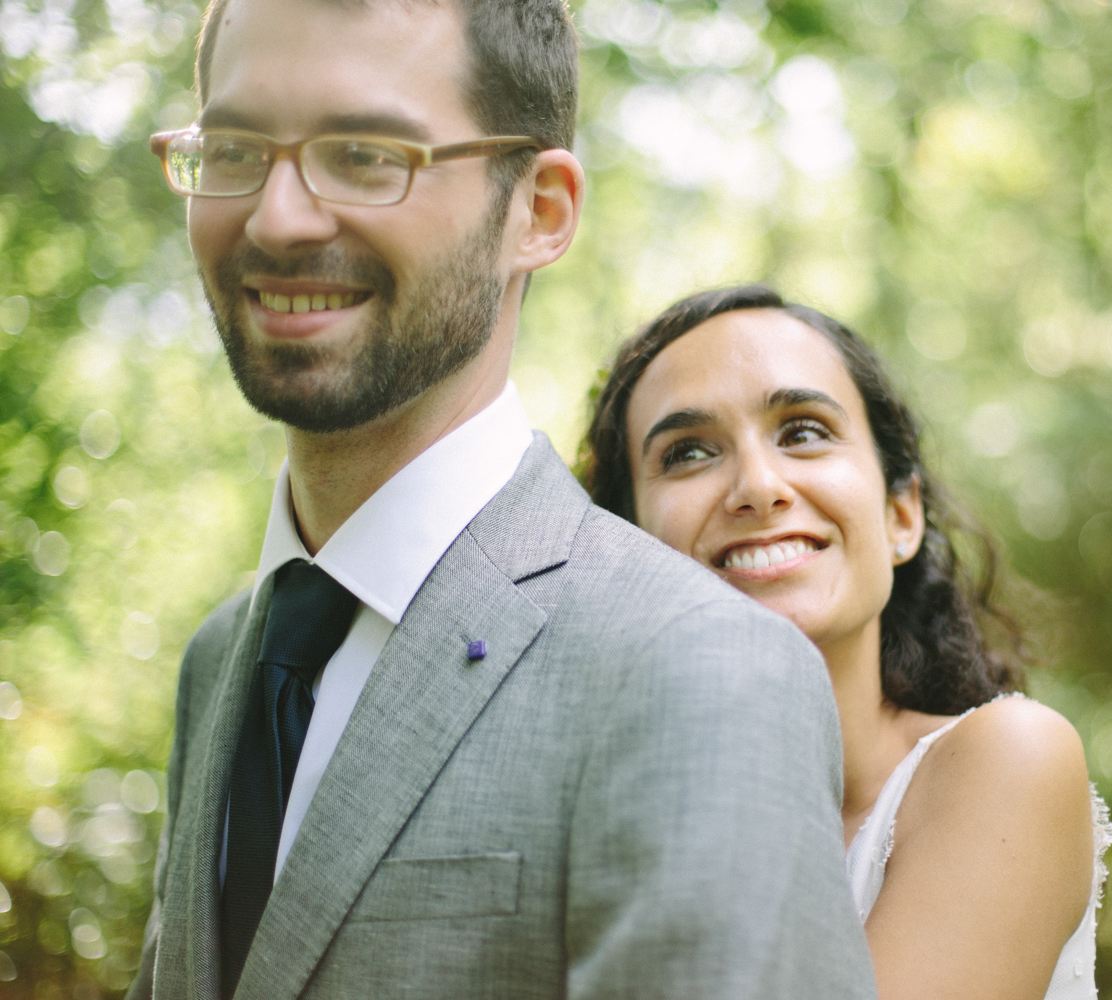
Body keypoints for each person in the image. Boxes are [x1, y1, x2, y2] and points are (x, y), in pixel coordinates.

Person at [128, 1, 875, 996]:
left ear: (541, 210)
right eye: (233, 149)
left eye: (365, 153)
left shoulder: (701, 666)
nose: (277, 217)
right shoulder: (220, 658)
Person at [580, 285, 1112, 1000]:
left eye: (802, 431)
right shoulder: (591, 816)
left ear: (901, 515)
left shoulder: (1007, 758)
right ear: (629, 545)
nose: (758, 486)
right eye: (688, 453)